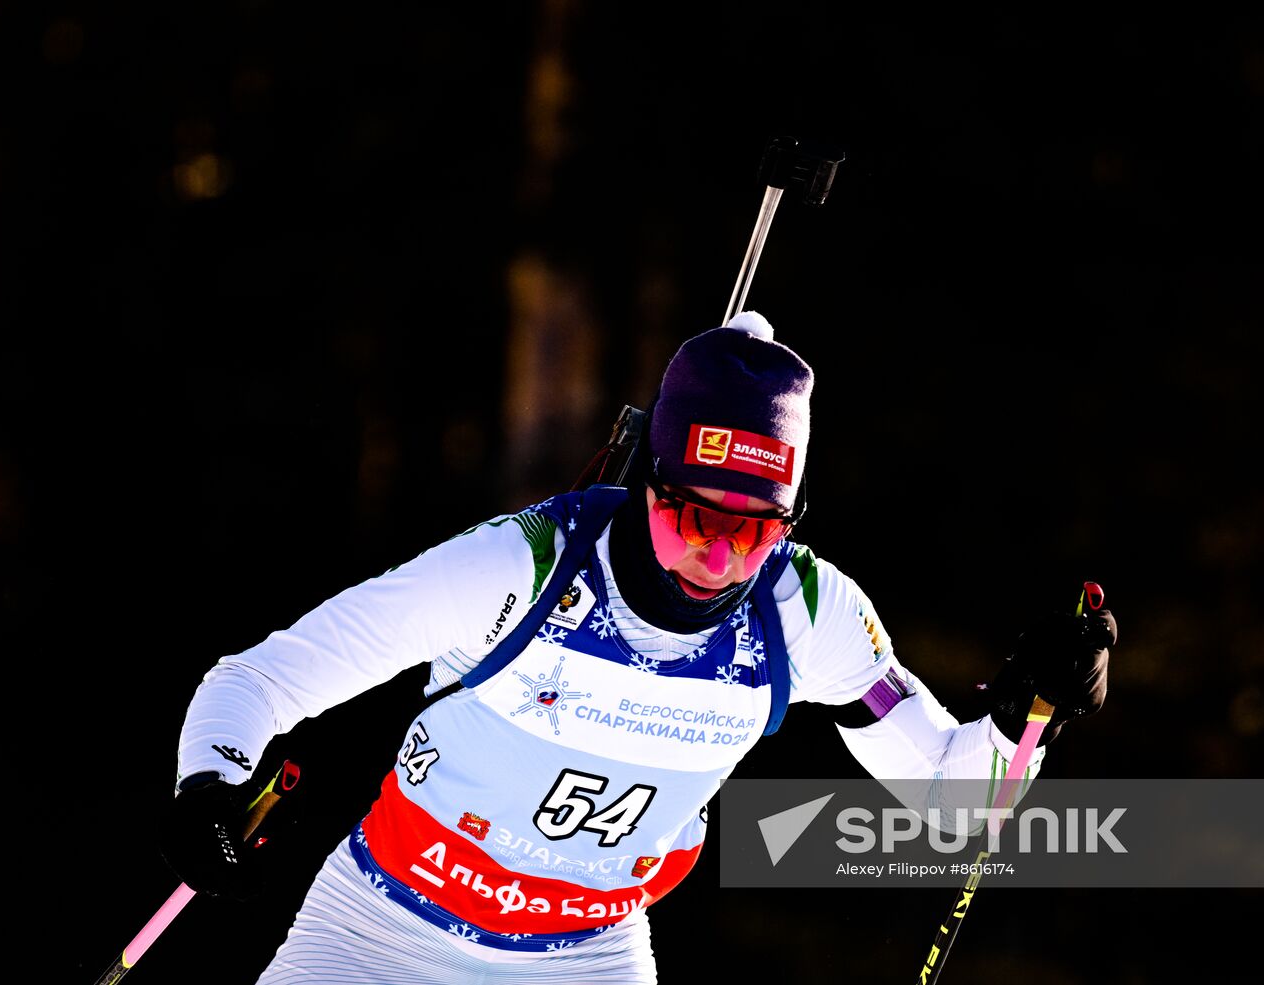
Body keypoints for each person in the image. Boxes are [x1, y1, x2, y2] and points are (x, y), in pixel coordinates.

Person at [161, 311, 1115, 983]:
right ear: (650, 483)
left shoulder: (804, 613)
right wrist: (209, 787)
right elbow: (258, 680)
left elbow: (961, 801)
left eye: (759, 528)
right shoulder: (515, 570)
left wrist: (1024, 715)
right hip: (380, 933)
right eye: (699, 515)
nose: (722, 553)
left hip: (587, 957)